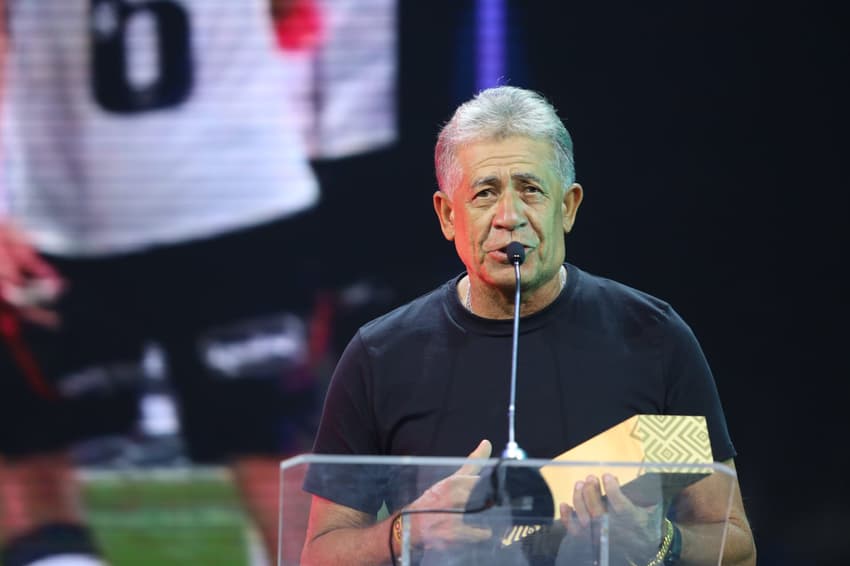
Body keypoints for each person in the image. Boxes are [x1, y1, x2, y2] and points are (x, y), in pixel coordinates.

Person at [0, 1, 395, 565]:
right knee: (280, 463)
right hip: (240, 204)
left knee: (36, 462)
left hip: (67, 217)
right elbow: (294, 19)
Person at [300, 86, 756, 565]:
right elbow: (318, 555)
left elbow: (736, 546)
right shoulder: (380, 356)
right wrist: (405, 534)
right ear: (448, 215)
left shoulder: (654, 338)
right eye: (485, 193)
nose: (509, 217)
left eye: (531, 190)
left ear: (568, 207)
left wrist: (661, 544)